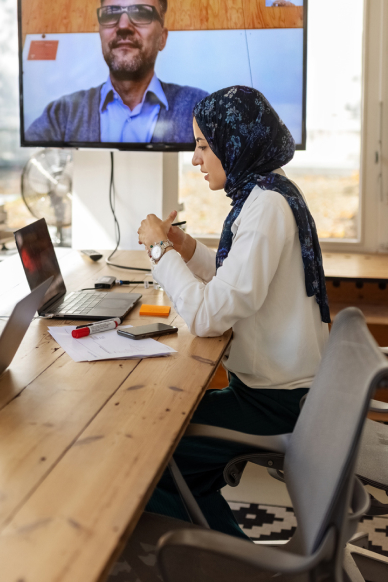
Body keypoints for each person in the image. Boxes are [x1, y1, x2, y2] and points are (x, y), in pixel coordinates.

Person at [135, 85, 330, 538]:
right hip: (278, 391)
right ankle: (223, 550)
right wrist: (185, 248)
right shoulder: (268, 191)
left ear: (234, 143)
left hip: (276, 403)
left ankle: (227, 563)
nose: (196, 158)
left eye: (203, 145)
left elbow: (207, 315)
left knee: (155, 456)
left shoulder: (264, 210)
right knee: (172, 443)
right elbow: (237, 283)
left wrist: (161, 249)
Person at [26, 0, 207, 145]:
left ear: (162, 38)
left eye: (140, 13)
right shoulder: (61, 115)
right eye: (111, 13)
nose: (123, 26)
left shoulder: (200, 110)